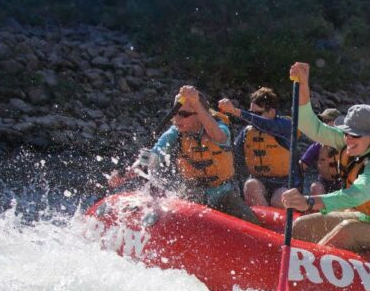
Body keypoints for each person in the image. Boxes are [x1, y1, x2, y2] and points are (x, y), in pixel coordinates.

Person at [280, 62, 370, 253]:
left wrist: (309, 201)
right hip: (363, 217)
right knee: (301, 225)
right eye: (347, 132)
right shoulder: (350, 143)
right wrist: (303, 85)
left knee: (347, 231)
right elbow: (312, 126)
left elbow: (355, 195)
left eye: (356, 134)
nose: (349, 139)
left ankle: (308, 270)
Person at [109, 85, 259, 224]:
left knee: (249, 220)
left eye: (184, 114)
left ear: (200, 114)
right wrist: (125, 175)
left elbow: (219, 137)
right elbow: (153, 155)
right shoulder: (175, 133)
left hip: (223, 194)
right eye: (175, 113)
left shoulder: (219, 127)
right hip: (191, 194)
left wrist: (196, 104)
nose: (177, 119)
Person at [218, 87, 294, 208]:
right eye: (251, 112)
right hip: (259, 182)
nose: (253, 117)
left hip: (284, 183)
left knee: (279, 199)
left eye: (258, 113)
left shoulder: (285, 126)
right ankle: (258, 224)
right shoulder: (247, 132)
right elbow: (233, 157)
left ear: (272, 112)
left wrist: (235, 111)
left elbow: (267, 125)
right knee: (250, 185)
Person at [299, 108, 342, 195]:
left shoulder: (347, 143)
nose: (324, 123)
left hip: (343, 183)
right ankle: (318, 208)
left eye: (327, 120)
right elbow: (301, 166)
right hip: (324, 182)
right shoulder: (317, 146)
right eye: (323, 120)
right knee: (315, 187)